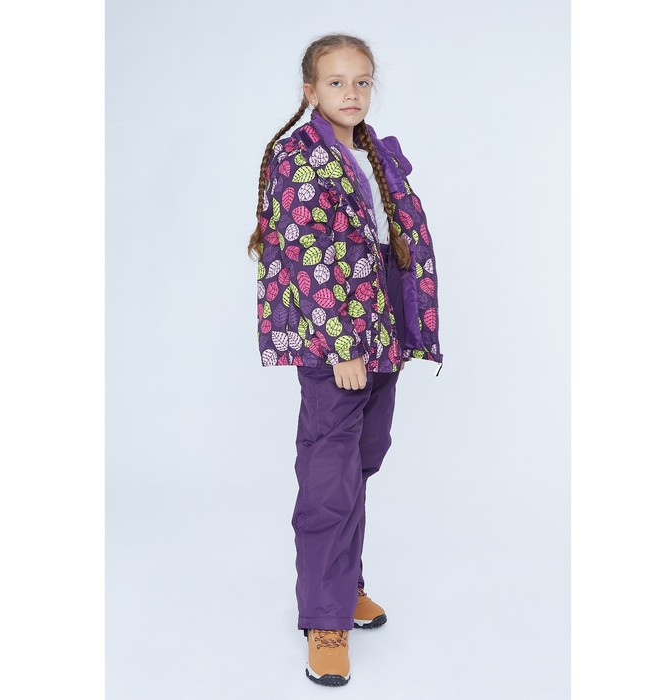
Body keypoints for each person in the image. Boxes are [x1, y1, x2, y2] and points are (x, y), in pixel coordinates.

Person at [247, 32, 443, 687]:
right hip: (337, 330)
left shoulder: (370, 150)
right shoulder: (298, 157)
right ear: (310, 91)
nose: (351, 93)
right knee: (329, 477)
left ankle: (343, 583)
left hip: (381, 319)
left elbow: (390, 240)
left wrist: (404, 325)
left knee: (363, 459)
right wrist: (341, 347)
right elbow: (306, 256)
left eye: (361, 81)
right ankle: (324, 620)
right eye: (336, 82)